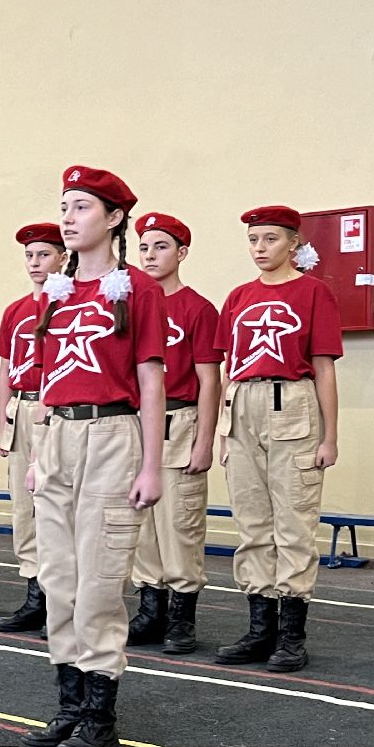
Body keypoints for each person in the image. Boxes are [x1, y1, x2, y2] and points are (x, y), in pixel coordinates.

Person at [19, 166, 165, 747]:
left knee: (100, 581)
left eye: (81, 207)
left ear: (113, 218)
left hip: (111, 434)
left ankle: (100, 717)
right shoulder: (55, 291)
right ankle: (71, 704)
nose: (68, 217)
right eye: (64, 206)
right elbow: (49, 377)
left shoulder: (138, 291)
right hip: (56, 434)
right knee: (57, 577)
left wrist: (151, 465)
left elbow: (151, 383)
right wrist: (38, 453)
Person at [214, 206, 341, 672]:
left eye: (269, 239)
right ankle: (259, 626)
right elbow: (230, 367)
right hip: (242, 404)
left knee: (294, 520)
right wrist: (224, 431)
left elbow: (324, 367)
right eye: (253, 240)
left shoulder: (313, 293)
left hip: (292, 403)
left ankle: (291, 633)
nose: (260, 249)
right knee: (252, 521)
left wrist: (329, 436)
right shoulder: (239, 296)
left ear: (293, 243)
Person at [128, 213, 222, 653]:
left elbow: (209, 380)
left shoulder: (197, 308)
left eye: (161, 246)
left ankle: (182, 616)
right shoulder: (128, 301)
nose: (150, 255)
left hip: (180, 422)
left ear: (181, 253)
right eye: (144, 247)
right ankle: (151, 608)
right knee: (142, 526)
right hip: (134, 425)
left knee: (179, 525)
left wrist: (205, 438)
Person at [0, 223, 64, 634]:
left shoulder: (67, 302)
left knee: (53, 506)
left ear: (62, 258)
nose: (35, 263)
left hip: (53, 410)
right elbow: (5, 368)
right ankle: (34, 593)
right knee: (24, 508)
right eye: (30, 256)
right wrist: (5, 419)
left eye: (44, 255)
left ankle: (59, 595)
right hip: (21, 408)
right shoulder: (16, 310)